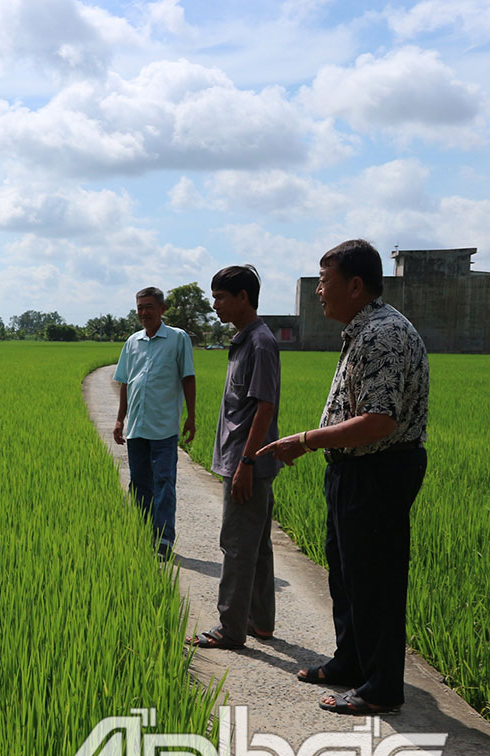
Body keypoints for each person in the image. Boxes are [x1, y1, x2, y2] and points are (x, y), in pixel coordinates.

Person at [258, 239, 429, 716]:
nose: (318, 290)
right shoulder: (362, 330)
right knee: (348, 573)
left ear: (355, 285)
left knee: (374, 579)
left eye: (324, 280)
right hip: (354, 469)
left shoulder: (382, 335)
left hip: (379, 470)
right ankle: (350, 663)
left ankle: (380, 688)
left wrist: (305, 440)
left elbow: (379, 421)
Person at [186, 265, 279, 650]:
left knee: (237, 544)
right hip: (242, 460)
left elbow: (265, 407)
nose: (215, 304)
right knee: (256, 544)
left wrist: (247, 462)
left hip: (246, 463)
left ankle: (230, 628)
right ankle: (260, 621)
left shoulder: (259, 342)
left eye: (221, 296)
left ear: (244, 297)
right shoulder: (244, 340)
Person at [113, 286, 196, 559]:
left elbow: (188, 377)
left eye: (149, 307)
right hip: (136, 427)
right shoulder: (132, 341)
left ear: (162, 309)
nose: (144, 312)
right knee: (139, 484)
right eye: (140, 308)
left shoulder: (177, 338)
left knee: (164, 483)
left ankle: (163, 541)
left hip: (163, 428)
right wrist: (119, 419)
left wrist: (191, 416)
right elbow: (125, 381)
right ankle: (145, 533)